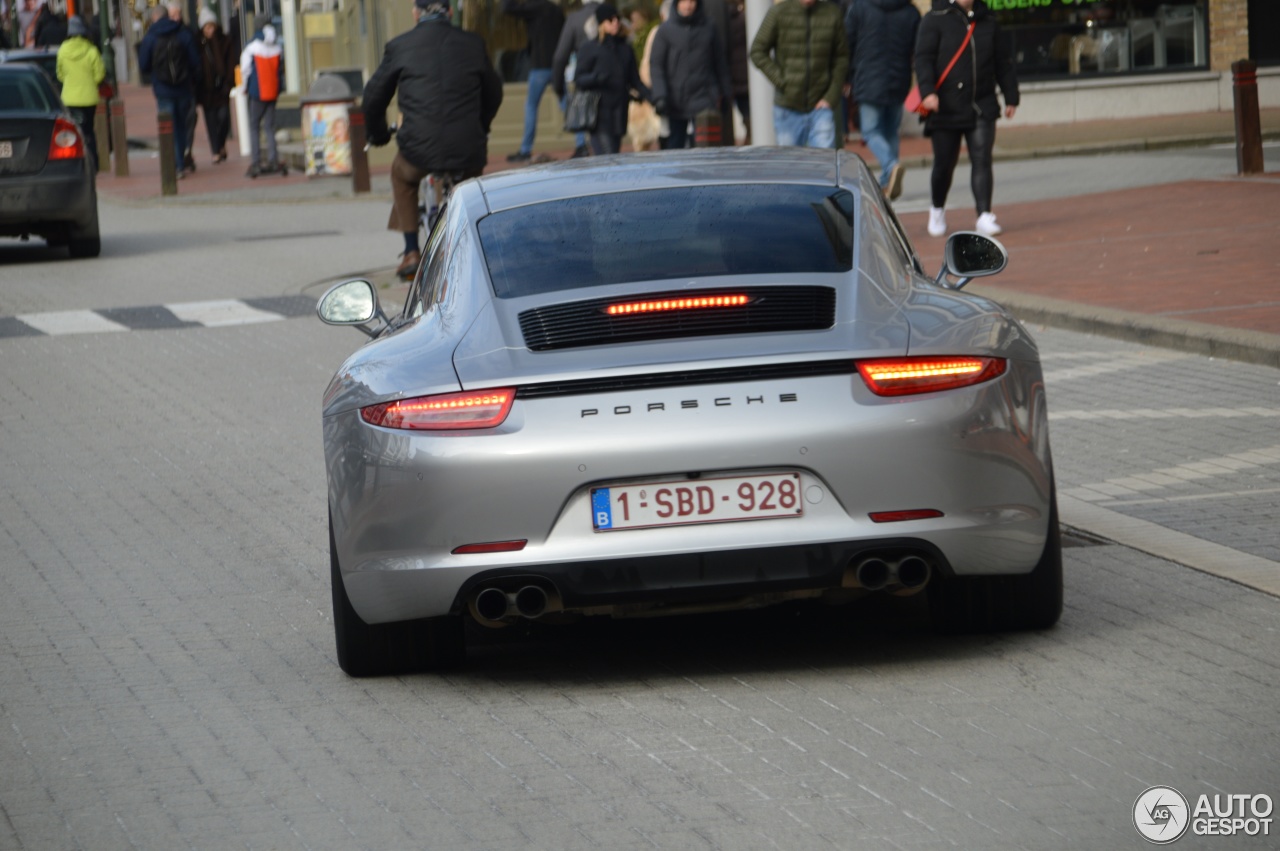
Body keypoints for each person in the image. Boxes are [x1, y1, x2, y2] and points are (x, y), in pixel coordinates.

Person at [363, 0, 502, 279]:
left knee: (402, 177)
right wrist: (481, 127)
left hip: (418, 149)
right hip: (468, 147)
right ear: (449, 13)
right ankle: (475, 251)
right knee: (470, 188)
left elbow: (373, 98)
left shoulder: (400, 46)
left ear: (415, 14)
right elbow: (494, 93)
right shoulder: (473, 43)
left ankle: (412, 251)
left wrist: (378, 134)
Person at [914, 0, 1018, 237]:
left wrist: (1011, 96)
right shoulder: (935, 18)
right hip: (945, 107)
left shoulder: (988, 20)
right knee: (944, 164)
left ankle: (984, 215)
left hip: (981, 104)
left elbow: (1003, 62)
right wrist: (928, 92)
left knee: (982, 159)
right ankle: (937, 209)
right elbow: (923, 59)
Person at [845, 0, 919, 200]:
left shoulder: (860, 8)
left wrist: (846, 78)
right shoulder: (910, 11)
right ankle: (888, 180)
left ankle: (890, 165)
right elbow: (917, 47)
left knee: (870, 131)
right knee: (890, 130)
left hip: (868, 79)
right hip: (899, 79)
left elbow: (847, 44)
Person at [749, 0, 847, 149]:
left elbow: (842, 57)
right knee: (790, 167)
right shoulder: (779, 13)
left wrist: (831, 96)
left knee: (825, 165)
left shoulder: (832, 14)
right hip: (788, 108)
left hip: (821, 105)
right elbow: (757, 51)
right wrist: (782, 81)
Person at [648, 0, 729, 150]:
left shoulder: (709, 27)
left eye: (692, 1)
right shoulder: (665, 31)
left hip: (704, 98)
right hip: (675, 100)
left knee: (706, 148)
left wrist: (725, 93)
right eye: (684, 1)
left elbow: (719, 62)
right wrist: (660, 95)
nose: (688, 5)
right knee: (675, 147)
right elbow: (656, 66)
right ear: (677, 4)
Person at [573, 3, 650, 156]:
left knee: (613, 153)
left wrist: (651, 96)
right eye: (610, 20)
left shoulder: (625, 49)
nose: (615, 22)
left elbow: (634, 80)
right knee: (608, 155)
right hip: (598, 112)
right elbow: (579, 78)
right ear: (601, 24)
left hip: (619, 111)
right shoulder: (590, 48)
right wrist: (597, 78)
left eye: (617, 19)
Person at [138, 2, 201, 179]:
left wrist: (155, 75)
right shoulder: (182, 33)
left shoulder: (150, 37)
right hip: (183, 88)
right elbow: (195, 61)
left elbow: (143, 65)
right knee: (181, 126)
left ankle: (172, 165)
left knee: (167, 128)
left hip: (163, 89)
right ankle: (179, 163)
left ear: (154, 18)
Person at [501, 0, 564, 163]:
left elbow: (508, 7)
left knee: (531, 106)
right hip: (557, 65)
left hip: (540, 65)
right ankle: (581, 143)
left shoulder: (537, 8)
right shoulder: (557, 10)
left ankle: (525, 149)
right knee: (566, 104)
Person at [551, 0, 600, 158]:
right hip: (611, 84)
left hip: (586, 82)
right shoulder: (611, 15)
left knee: (588, 123)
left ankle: (582, 146)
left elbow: (560, 56)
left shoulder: (575, 18)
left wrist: (558, 86)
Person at [55, 15, 104, 172]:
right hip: (89, 97)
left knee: (72, 132)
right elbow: (100, 74)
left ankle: (76, 163)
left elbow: (59, 74)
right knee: (89, 131)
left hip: (69, 97)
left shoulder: (63, 50)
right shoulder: (91, 50)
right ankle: (94, 163)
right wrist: (90, 82)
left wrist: (70, 80)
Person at [239, 23, 285, 177]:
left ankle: (256, 161)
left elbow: (245, 70)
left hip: (257, 92)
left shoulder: (251, 48)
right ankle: (273, 160)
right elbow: (280, 70)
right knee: (269, 127)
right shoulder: (277, 47)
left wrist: (244, 88)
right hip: (272, 92)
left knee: (254, 126)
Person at [196, 6, 235, 164]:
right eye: (207, 27)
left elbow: (231, 62)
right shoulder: (199, 43)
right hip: (206, 89)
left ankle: (221, 143)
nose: (210, 30)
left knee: (224, 117)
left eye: (212, 26)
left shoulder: (224, 41)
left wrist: (229, 82)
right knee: (211, 120)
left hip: (222, 87)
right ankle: (216, 151)